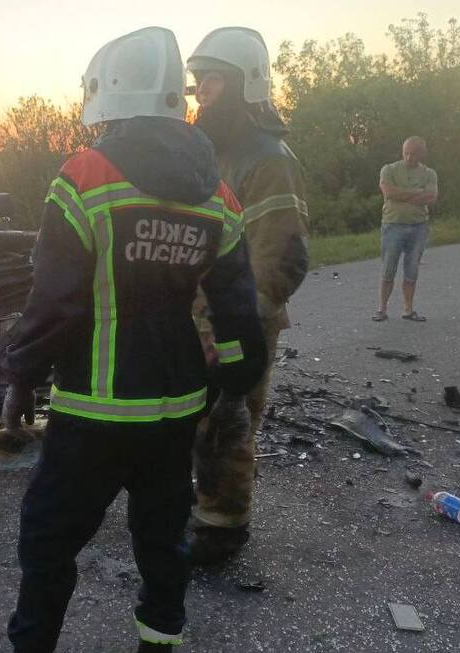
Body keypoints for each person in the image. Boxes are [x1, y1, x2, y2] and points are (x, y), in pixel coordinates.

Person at [0, 26, 267, 653]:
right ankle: (160, 640)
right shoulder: (217, 193)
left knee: (48, 540)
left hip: (93, 408)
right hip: (176, 408)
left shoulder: (86, 175)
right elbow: (238, 312)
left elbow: (54, 301)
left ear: (107, 100)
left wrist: (20, 377)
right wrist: (227, 380)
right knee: (160, 538)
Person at [184, 27, 310, 564]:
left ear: (243, 83)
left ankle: (221, 530)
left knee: (228, 421)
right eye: (196, 82)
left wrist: (234, 331)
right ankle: (200, 507)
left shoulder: (268, 159)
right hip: (201, 316)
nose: (200, 92)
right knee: (201, 420)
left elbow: (282, 256)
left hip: (240, 321)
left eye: (210, 80)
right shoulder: (213, 153)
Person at [373, 136, 438, 322]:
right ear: (402, 151)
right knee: (388, 268)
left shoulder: (429, 173)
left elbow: (431, 197)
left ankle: (408, 309)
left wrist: (402, 195)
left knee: (411, 269)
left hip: (419, 226)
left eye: (413, 154)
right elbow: (388, 193)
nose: (409, 158)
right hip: (393, 224)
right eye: (406, 153)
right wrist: (417, 193)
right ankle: (382, 309)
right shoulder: (389, 169)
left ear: (421, 154)